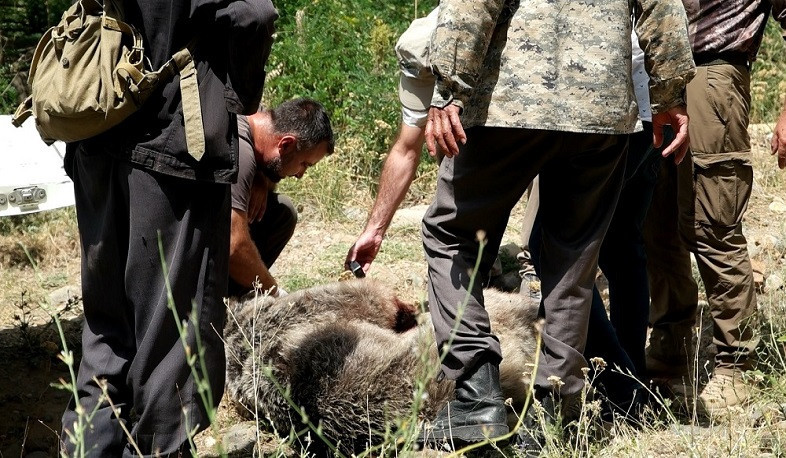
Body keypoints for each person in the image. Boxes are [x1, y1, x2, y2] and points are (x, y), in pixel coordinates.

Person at [418, 0, 694, 449]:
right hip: (602, 109)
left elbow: (471, 5)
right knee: (574, 259)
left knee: (451, 233)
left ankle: (474, 395)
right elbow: (662, 6)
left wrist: (449, 88)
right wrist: (670, 94)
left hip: (511, 102)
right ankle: (554, 410)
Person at [59, 0, 278, 455]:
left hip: (96, 129)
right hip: (172, 145)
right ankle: (162, 449)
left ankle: (88, 448)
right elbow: (254, 14)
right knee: (171, 334)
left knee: (106, 327)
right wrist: (232, 101)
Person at [645, 0, 786, 416]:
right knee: (657, 223)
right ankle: (671, 340)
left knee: (712, 223)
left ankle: (735, 363)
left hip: (712, 73)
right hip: (652, 76)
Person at [229, 98, 334, 298]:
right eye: (305, 164)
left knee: (282, 212)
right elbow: (234, 245)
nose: (301, 174)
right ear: (286, 144)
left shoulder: (256, 116)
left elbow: (270, 159)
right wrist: (275, 292)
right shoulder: (240, 153)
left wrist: (260, 176)